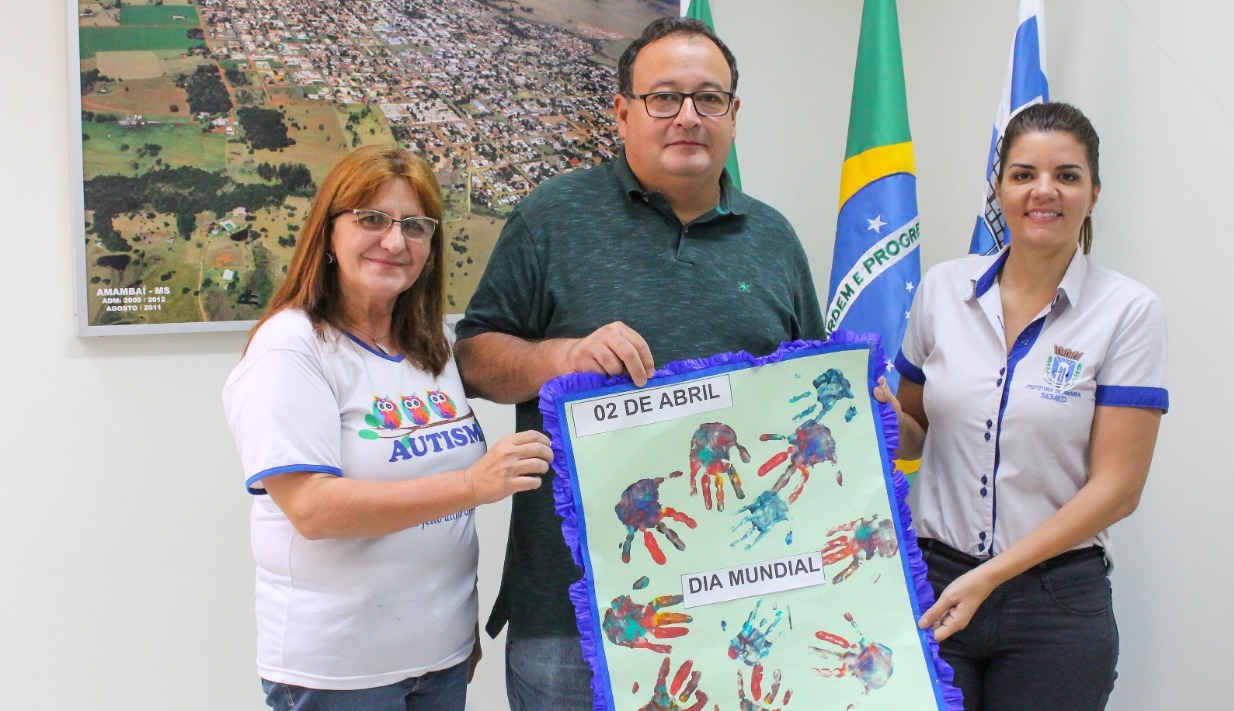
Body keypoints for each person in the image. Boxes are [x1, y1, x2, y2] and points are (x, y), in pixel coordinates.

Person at [453, 16, 826, 710]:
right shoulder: (551, 218)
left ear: (733, 115)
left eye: (708, 98)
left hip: (734, 603)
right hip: (572, 612)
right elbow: (474, 357)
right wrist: (561, 356)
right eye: (665, 97)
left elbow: (807, 388)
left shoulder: (774, 239)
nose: (688, 115)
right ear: (623, 112)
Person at [222, 145, 553, 711]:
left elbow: (446, 526)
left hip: (439, 658)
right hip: (341, 672)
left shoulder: (431, 348)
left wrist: (461, 626)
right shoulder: (292, 346)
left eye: (415, 226)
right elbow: (313, 509)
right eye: (371, 219)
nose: (395, 242)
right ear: (327, 233)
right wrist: (475, 484)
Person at [876, 102, 1169, 711]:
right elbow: (915, 434)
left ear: (1093, 192)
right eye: (1023, 173)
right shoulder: (941, 290)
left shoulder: (1128, 311)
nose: (1044, 191)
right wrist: (866, 415)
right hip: (934, 582)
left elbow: (1118, 488)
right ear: (1000, 188)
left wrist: (990, 576)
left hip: (1055, 607)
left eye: (1066, 175)